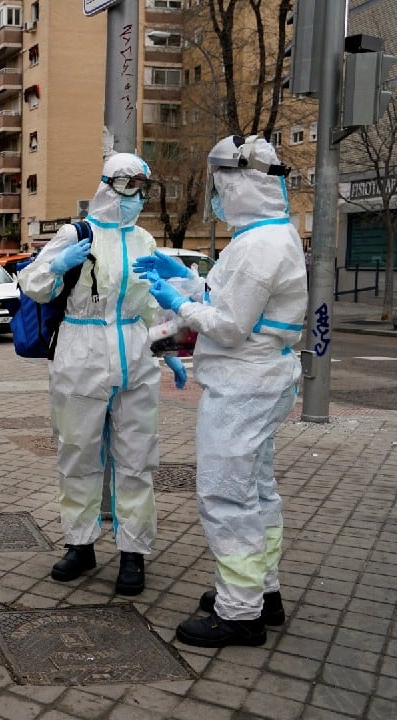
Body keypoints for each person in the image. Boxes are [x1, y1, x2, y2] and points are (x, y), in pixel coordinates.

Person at [135, 134, 307, 648]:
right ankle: (261, 591)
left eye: (221, 185)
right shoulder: (273, 234)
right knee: (256, 491)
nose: (216, 196)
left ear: (241, 185)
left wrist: (176, 301)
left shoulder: (259, 246)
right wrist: (188, 283)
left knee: (226, 496)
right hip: (260, 377)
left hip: (242, 384)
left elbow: (229, 327)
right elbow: (236, 303)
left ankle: (239, 613)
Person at [17, 153, 184, 598]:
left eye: (144, 188)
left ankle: (133, 552)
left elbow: (151, 303)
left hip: (135, 354)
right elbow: (31, 283)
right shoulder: (77, 233)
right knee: (78, 453)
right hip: (81, 352)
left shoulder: (144, 240)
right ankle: (80, 542)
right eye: (129, 185)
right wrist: (56, 265)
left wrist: (168, 350)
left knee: (137, 457)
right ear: (108, 184)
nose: (137, 196)